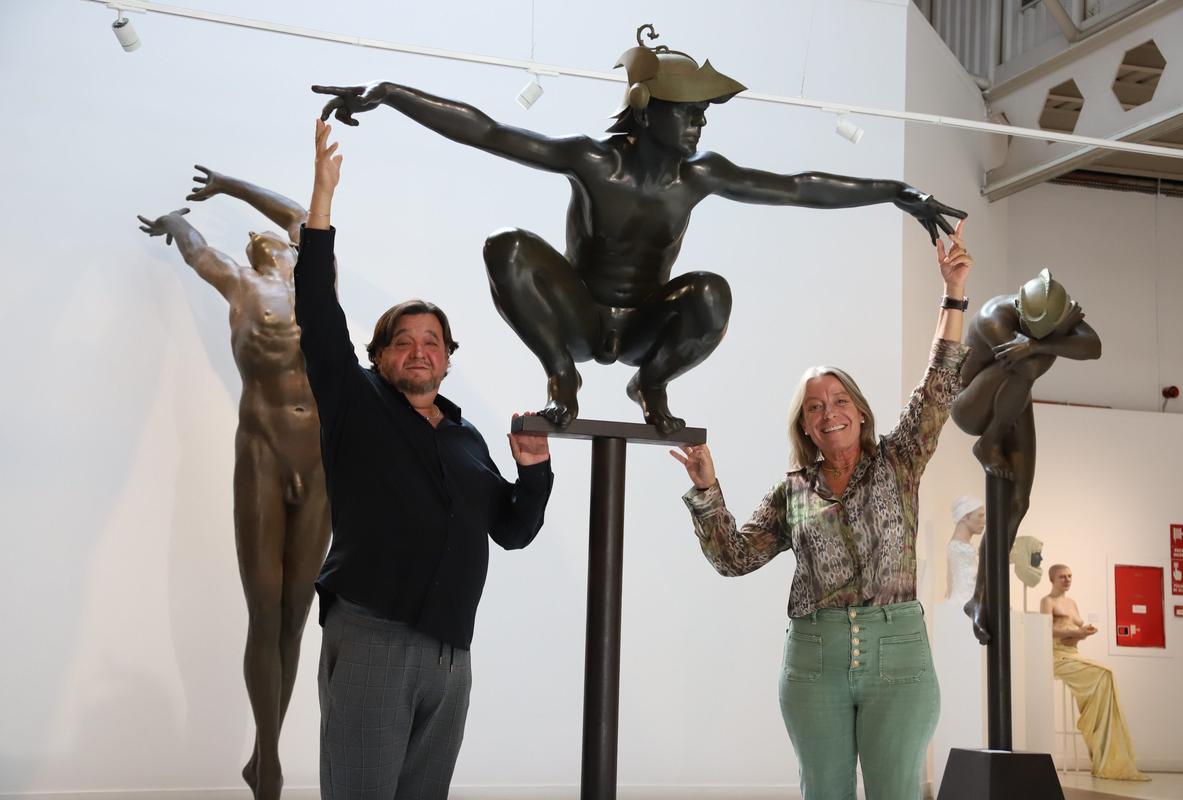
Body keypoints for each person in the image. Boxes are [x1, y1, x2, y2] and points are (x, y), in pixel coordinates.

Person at [312, 24, 966, 434]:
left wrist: (897, 192)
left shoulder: (699, 176)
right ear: (647, 111)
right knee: (506, 247)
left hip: (644, 327)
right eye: (686, 113)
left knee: (711, 292)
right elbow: (487, 131)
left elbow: (799, 187)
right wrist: (391, 91)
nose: (697, 126)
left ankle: (650, 383)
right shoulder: (593, 161)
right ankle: (561, 375)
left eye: (701, 115)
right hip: (579, 317)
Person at [294, 119, 554, 799]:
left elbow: (513, 530)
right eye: (403, 340)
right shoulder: (356, 402)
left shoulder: (465, 440)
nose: (419, 350)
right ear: (380, 356)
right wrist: (322, 202)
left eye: (432, 341)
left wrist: (534, 471)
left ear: (446, 358)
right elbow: (317, 311)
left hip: (450, 657)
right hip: (373, 637)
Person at [671, 221, 973, 798]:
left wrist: (953, 293)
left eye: (838, 400)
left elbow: (938, 384)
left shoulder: (899, 460)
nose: (828, 412)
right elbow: (734, 559)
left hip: (898, 658)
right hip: (814, 662)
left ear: (859, 411)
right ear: (805, 426)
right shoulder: (792, 492)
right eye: (814, 407)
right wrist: (708, 491)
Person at [138, 169, 331, 800]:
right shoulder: (240, 284)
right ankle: (268, 761)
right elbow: (196, 251)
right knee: (265, 610)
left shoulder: (318, 278)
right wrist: (175, 222)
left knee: (296, 615)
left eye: (272, 235)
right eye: (259, 239)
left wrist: (228, 185)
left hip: (321, 461)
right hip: (262, 452)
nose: (266, 238)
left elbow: (300, 212)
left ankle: (263, 754)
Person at [952, 269, 1101, 643]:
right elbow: (1030, 369)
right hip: (971, 406)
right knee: (1021, 371)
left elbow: (1093, 347)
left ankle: (980, 597)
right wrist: (1053, 339)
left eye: (1048, 329)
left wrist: (1036, 343)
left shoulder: (1052, 317)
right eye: (1035, 331)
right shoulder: (995, 316)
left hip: (1014, 402)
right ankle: (988, 443)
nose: (1040, 336)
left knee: (1018, 503)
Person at [1040, 564, 1149, 781]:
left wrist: (1083, 633)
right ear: (1052, 579)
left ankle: (1106, 749)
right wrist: (1078, 632)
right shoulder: (1048, 601)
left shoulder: (1072, 603)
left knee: (1107, 675)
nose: (1067, 580)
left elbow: (1073, 633)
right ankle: (1099, 737)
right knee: (1104, 673)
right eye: (1062, 577)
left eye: (1070, 576)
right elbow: (1045, 629)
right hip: (1057, 657)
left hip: (1073, 653)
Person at [946, 496, 984, 605]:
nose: (984, 521)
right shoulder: (961, 550)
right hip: (964, 606)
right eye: (980, 516)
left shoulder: (961, 548)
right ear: (966, 517)